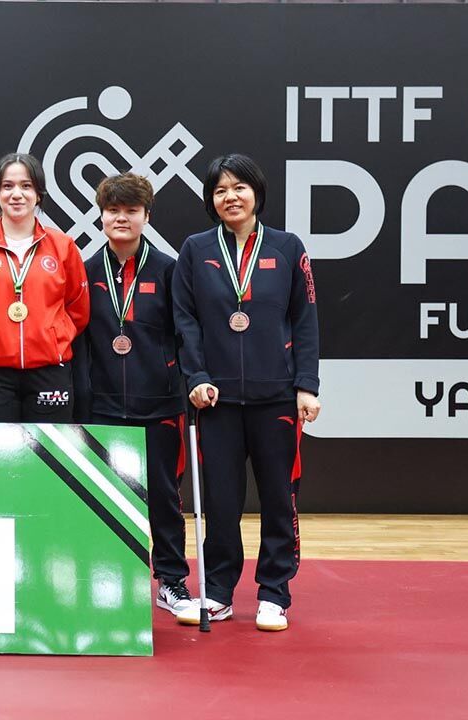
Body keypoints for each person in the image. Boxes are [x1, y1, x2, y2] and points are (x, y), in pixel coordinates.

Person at [171, 153, 321, 632]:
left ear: (257, 192)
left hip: (276, 397)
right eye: (220, 190)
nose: (230, 197)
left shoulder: (288, 247)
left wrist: (306, 385)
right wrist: (196, 377)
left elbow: (305, 320)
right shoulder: (195, 250)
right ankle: (217, 592)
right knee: (220, 503)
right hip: (216, 401)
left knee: (279, 498)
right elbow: (185, 322)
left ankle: (274, 593)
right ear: (210, 200)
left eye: (239, 187)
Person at [72, 172, 194, 617]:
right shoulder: (85, 271)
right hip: (103, 406)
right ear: (101, 216)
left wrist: (181, 384)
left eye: (131, 211)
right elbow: (79, 342)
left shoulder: (169, 270)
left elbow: (185, 334)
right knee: (105, 496)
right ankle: (107, 581)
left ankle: (172, 580)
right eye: (113, 210)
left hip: (159, 404)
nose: (121, 218)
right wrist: (83, 401)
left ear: (146, 216)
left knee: (163, 497)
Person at [0, 153, 89, 421]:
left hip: (49, 371)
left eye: (26, 186)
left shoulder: (63, 246)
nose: (16, 194)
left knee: (48, 449)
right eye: (7, 186)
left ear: (38, 194)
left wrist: (52, 337)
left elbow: (78, 309)